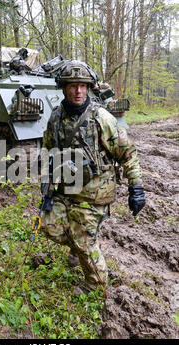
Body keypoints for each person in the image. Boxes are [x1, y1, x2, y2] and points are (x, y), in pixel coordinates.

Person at [41, 60, 146, 293]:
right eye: (72, 86)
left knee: (84, 240)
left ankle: (96, 284)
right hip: (67, 188)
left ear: (88, 88)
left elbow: (128, 154)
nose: (78, 91)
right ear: (64, 88)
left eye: (83, 86)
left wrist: (136, 188)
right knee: (47, 225)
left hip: (95, 193)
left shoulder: (102, 118)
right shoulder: (56, 117)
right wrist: (48, 181)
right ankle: (79, 244)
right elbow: (48, 150)